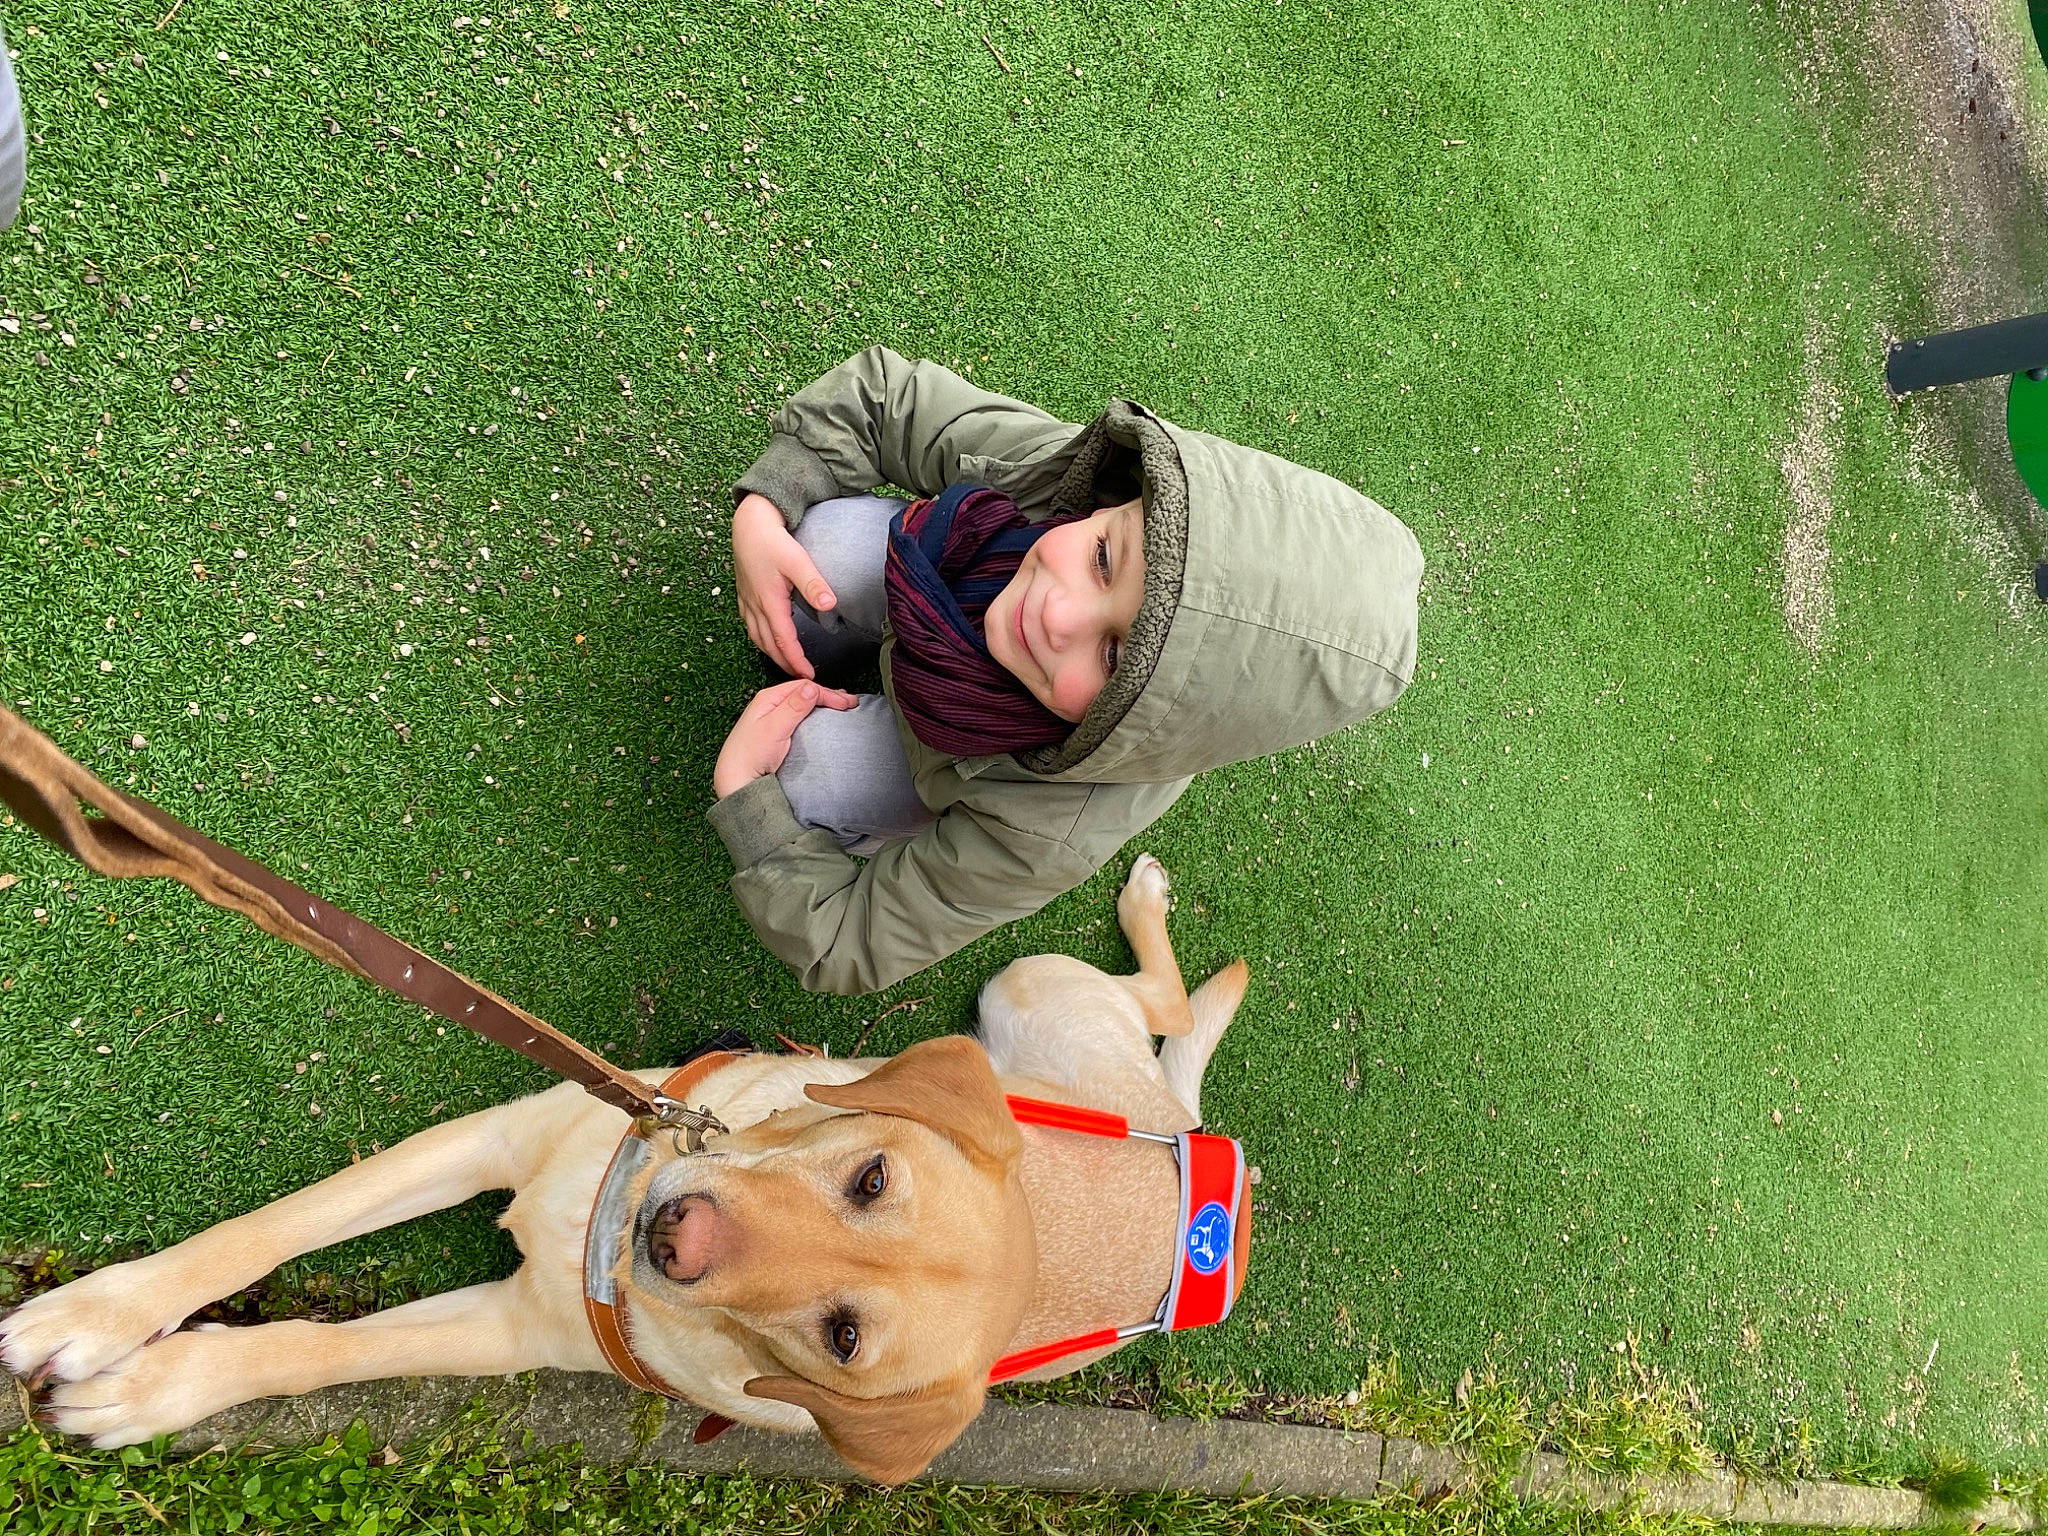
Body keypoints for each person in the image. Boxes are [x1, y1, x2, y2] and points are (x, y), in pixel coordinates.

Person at [708, 346, 1422, 994]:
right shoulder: (1057, 487)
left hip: (947, 770)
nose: (1057, 616)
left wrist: (747, 800)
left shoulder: (1057, 825)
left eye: (1113, 657)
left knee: (808, 775)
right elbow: (888, 398)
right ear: (1123, 500)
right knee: (820, 542)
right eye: (1104, 559)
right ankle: (807, 643)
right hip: (922, 627)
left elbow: (847, 943)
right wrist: (768, 507)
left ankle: (832, 754)